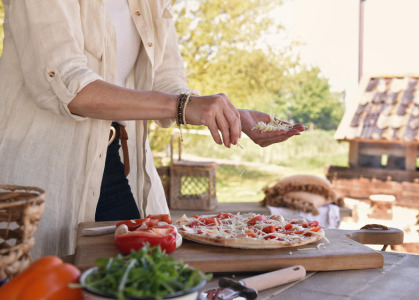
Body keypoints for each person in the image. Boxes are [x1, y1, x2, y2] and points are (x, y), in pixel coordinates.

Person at [0, 0, 304, 259]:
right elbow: (68, 86)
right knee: (41, 292)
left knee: (140, 284)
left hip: (118, 163)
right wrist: (183, 105)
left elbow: (168, 81)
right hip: (44, 171)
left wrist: (230, 115)